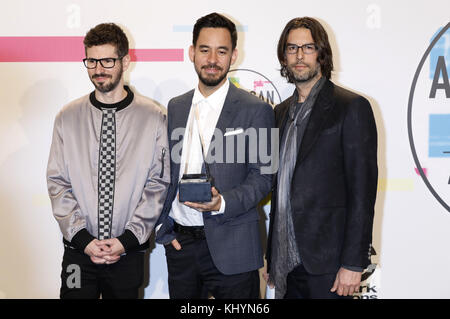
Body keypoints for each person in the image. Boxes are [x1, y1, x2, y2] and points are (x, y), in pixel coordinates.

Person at [155, 12, 274, 299]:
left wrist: (223, 202)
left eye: (221, 51)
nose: (212, 59)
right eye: (205, 50)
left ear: (234, 56)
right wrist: (165, 229)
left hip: (234, 246)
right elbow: (167, 171)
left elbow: (265, 177)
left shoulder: (257, 110)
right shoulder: (176, 106)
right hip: (182, 247)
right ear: (191, 53)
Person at [46, 23, 170, 299]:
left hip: (128, 254)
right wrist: (83, 240)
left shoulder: (152, 117)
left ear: (125, 61)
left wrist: (126, 241)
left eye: (107, 60)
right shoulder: (67, 116)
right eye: (91, 60)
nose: (98, 69)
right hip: (78, 255)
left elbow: (158, 184)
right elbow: (57, 182)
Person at [266, 17, 378, 299]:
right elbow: (278, 189)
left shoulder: (350, 107)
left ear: (322, 53)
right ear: (284, 55)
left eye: (308, 47)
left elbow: (362, 193)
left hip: (328, 265)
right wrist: (272, 254)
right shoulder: (279, 113)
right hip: (285, 264)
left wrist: (353, 263)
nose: (299, 56)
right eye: (292, 48)